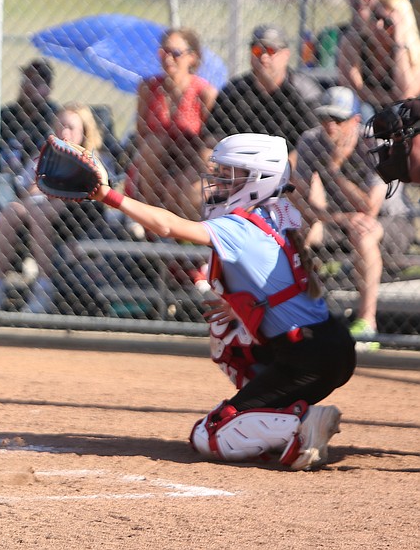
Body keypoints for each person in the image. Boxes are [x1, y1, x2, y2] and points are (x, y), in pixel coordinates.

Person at [86, 132, 355, 470]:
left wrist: (107, 195)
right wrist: (244, 307)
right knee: (229, 334)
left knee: (209, 434)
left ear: (260, 180)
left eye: (232, 174)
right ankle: (278, 418)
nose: (218, 182)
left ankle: (299, 425)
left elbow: (168, 226)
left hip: (307, 355)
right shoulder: (280, 211)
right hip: (330, 342)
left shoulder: (240, 227)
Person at [295, 86, 412, 349]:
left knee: (364, 230)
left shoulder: (377, 143)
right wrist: (335, 218)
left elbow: (370, 208)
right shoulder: (311, 141)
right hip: (342, 221)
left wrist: (334, 169)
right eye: (325, 118)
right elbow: (300, 199)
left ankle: (366, 323)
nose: (330, 126)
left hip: (391, 222)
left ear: (356, 121)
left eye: (338, 120)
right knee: (298, 225)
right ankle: (297, 316)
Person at [0, 103, 118, 312]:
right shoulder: (45, 154)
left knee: (38, 211)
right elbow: (29, 190)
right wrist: (46, 190)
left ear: (84, 132)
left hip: (79, 220)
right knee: (11, 211)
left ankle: (45, 288)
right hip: (42, 213)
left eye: (71, 127)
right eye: (60, 125)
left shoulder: (94, 159)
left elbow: (84, 195)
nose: (64, 132)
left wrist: (48, 190)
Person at [133, 27, 217, 220]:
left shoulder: (204, 93)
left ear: (192, 58)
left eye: (176, 53)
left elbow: (211, 140)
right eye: (164, 52)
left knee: (178, 190)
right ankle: (150, 219)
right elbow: (141, 134)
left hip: (193, 159)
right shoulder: (149, 88)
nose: (168, 58)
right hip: (158, 163)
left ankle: (184, 237)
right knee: (154, 144)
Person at [204, 24, 320, 156]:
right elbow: (213, 137)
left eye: (271, 50)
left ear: (286, 54)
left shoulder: (304, 92)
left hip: (287, 168)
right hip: (240, 166)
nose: (264, 57)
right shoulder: (234, 91)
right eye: (257, 51)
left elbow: (313, 143)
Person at [339, 0, 420, 112]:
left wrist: (399, 45)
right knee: (362, 109)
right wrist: (391, 97)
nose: (379, 25)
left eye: (388, 22)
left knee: (397, 110)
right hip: (362, 108)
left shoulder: (415, 51)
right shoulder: (354, 42)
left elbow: (405, 95)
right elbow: (351, 88)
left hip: (398, 113)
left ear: (403, 24)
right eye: (376, 17)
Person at [0, 60, 59, 207]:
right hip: (7, 177)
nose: (29, 86)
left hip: (38, 181)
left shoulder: (54, 117)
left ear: (49, 88)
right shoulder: (6, 116)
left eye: (36, 82)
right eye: (26, 80)